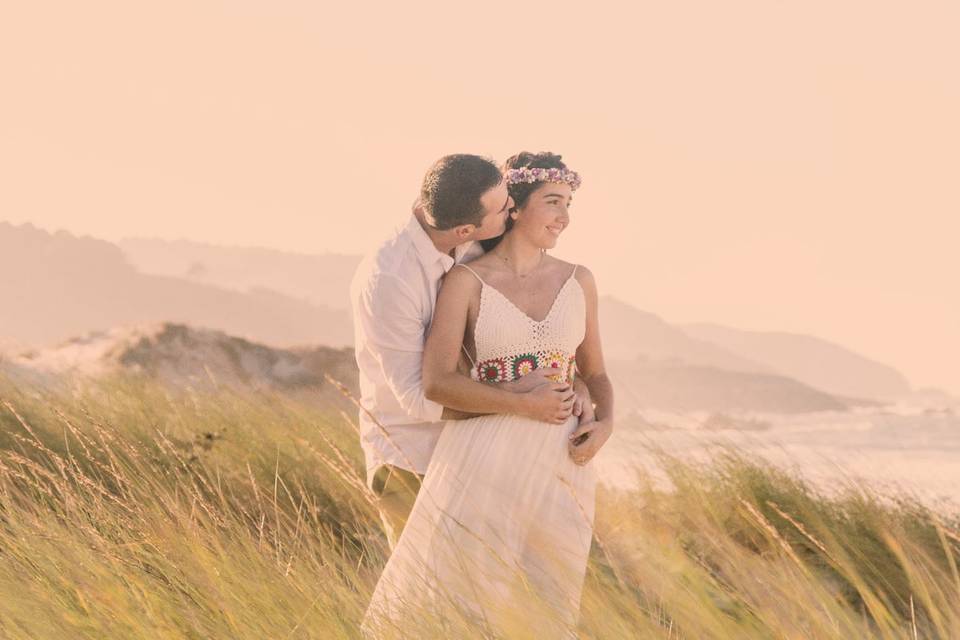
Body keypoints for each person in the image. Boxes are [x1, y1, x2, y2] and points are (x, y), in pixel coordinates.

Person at [363, 152, 614, 638]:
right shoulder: (420, 277)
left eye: (570, 204)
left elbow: (593, 370)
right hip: (447, 449)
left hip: (560, 459)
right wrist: (523, 399)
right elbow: (426, 390)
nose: (566, 216)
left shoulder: (572, 276)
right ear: (512, 211)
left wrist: (600, 418)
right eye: (554, 202)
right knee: (459, 599)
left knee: (548, 601)